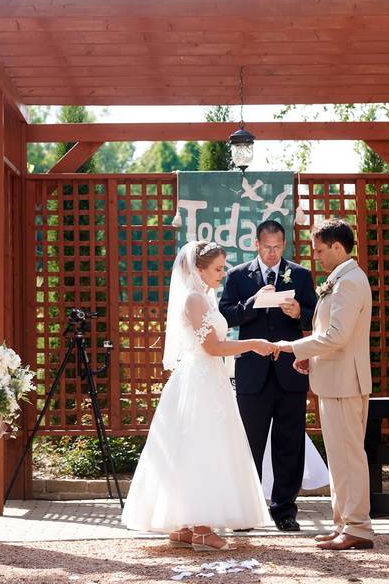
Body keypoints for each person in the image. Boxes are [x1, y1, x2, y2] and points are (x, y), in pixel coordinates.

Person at [121, 240, 276, 551]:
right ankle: (202, 528)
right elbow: (213, 347)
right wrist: (254, 343)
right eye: (218, 268)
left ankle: (185, 526)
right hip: (199, 380)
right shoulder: (194, 299)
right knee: (201, 448)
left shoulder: (205, 297)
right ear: (198, 269)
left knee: (194, 448)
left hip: (209, 377)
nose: (224, 273)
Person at [275, 218, 375, 551]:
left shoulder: (349, 282)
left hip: (346, 381)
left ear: (337, 247)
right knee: (339, 458)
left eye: (319, 250)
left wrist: (294, 347)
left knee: (349, 456)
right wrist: (311, 358)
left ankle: (358, 526)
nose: (315, 256)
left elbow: (337, 336)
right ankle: (343, 523)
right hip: (333, 379)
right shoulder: (341, 279)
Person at [219, 220, 318, 532]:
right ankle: (245, 510)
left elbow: (315, 316)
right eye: (267, 247)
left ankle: (285, 511)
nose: (273, 253)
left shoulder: (300, 275)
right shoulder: (238, 276)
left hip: (290, 372)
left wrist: (297, 313)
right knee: (250, 444)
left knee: (289, 443)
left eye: (278, 247)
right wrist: (253, 302)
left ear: (284, 244)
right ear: (257, 245)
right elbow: (226, 314)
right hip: (252, 373)